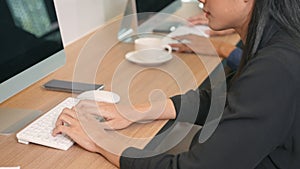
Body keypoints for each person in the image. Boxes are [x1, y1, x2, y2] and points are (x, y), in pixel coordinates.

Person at [53, 0, 300, 168]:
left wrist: (99, 142)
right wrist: (138, 111)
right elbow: (232, 99)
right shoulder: (278, 41)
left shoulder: (275, 68)